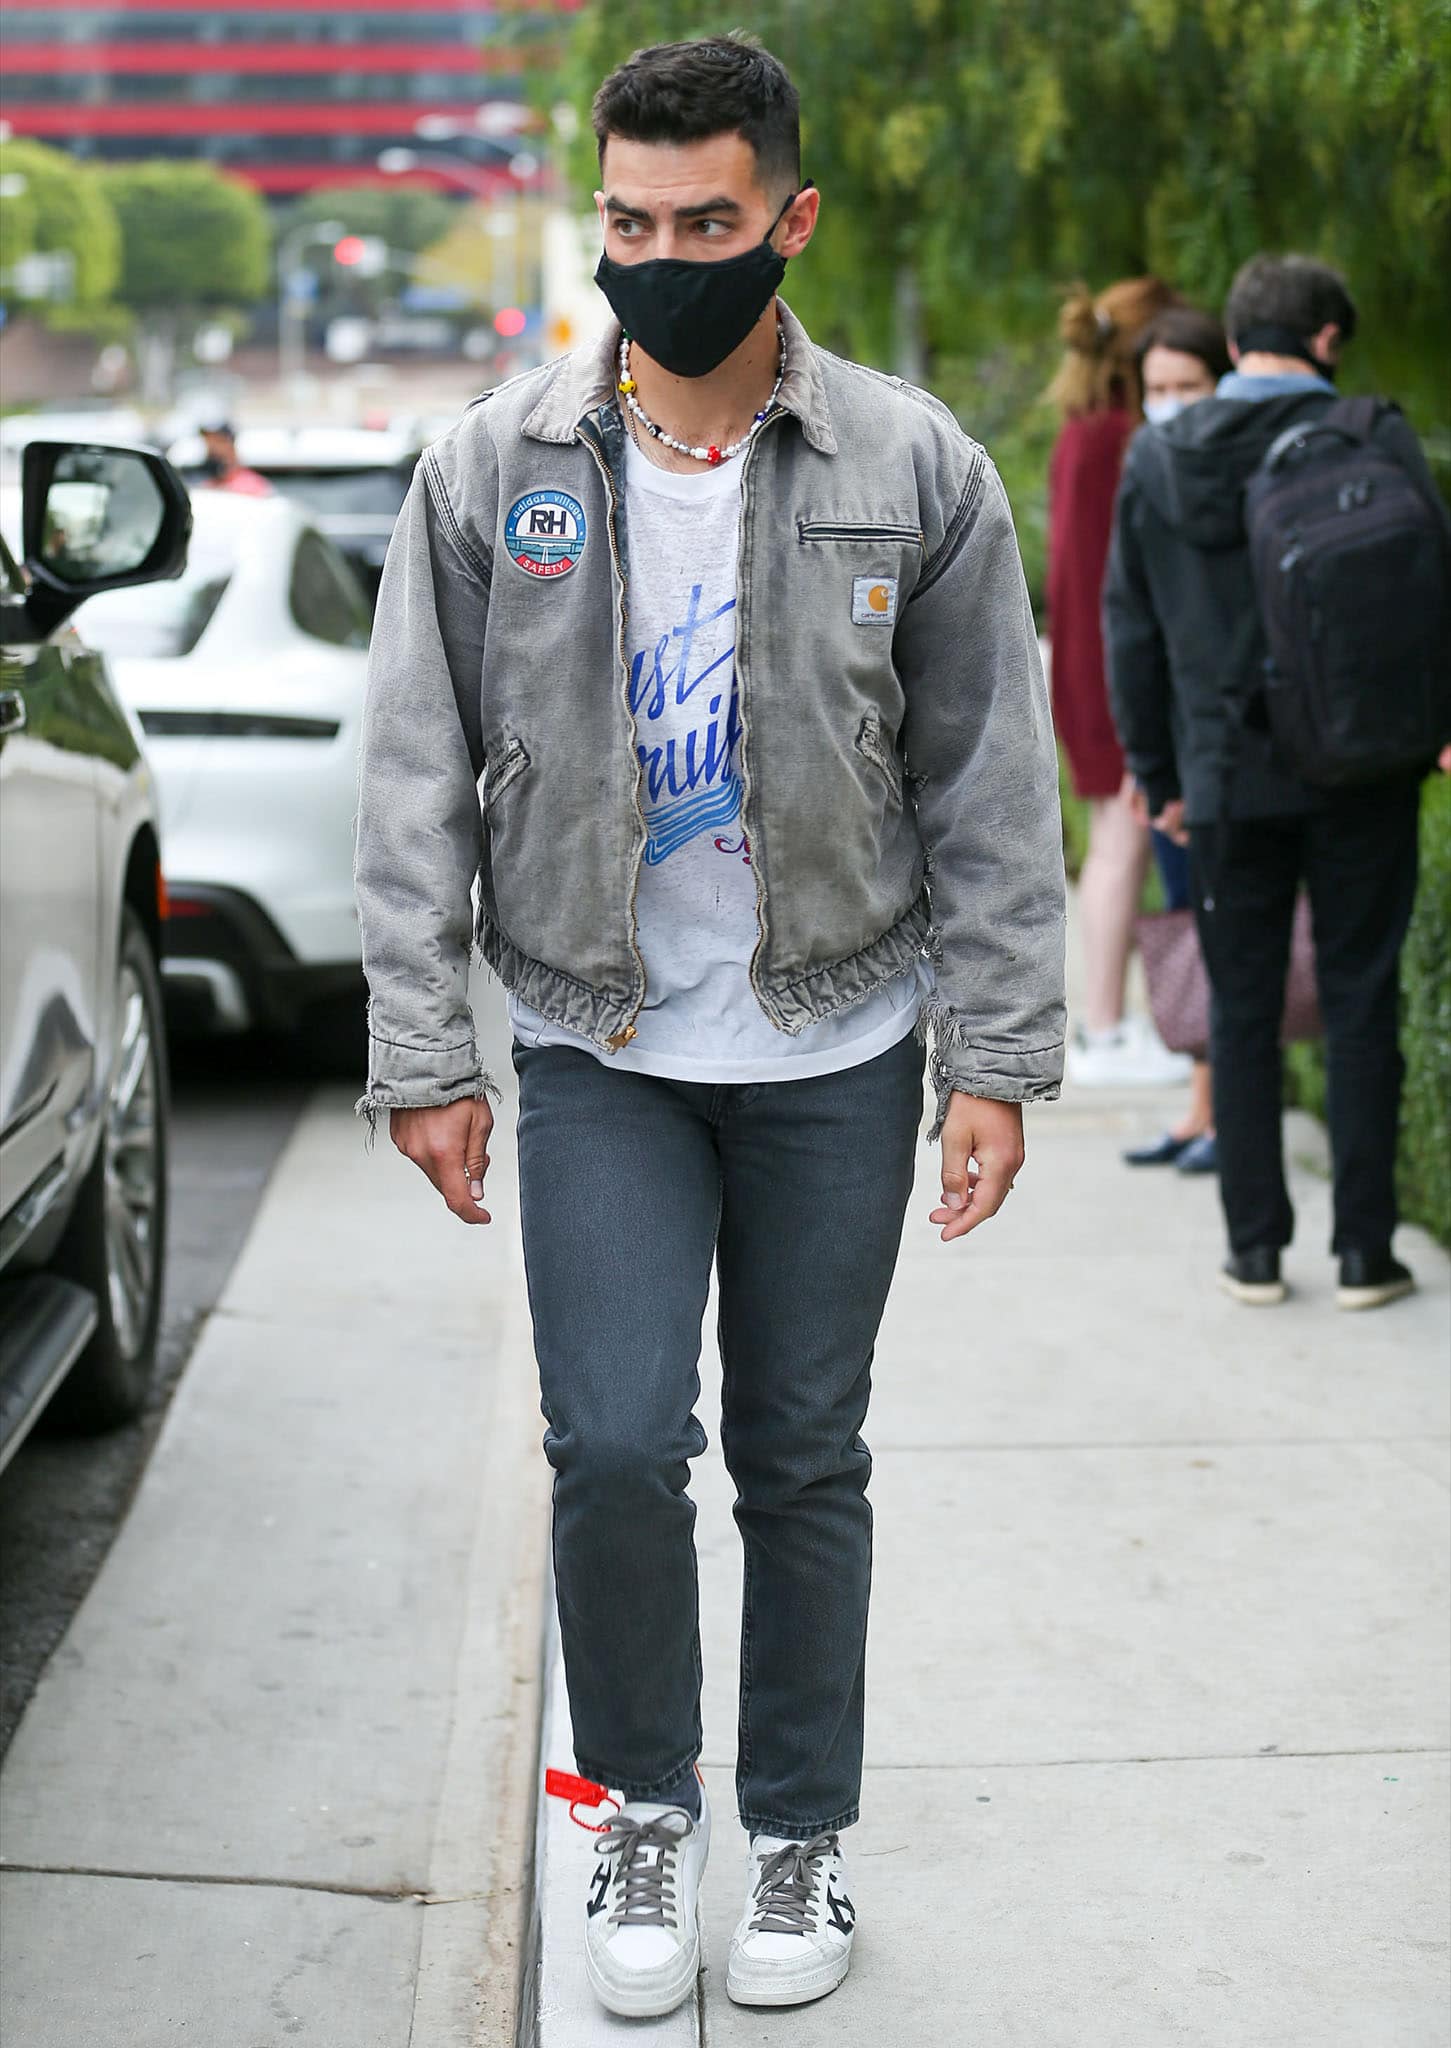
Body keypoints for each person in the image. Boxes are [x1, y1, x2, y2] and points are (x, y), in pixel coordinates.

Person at [353, 33, 1066, 2022]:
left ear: (786, 222)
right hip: (597, 1043)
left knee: (797, 1452)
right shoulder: (493, 465)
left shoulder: (907, 463)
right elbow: (415, 769)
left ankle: (801, 1834)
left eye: (705, 224)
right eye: (629, 222)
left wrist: (993, 1060)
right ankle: (642, 1812)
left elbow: (991, 785)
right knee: (603, 1443)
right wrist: (427, 1051)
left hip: (833, 1046)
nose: (661, 257)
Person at [1104, 252, 1449, 1310]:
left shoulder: (1158, 460)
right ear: (1326, 339)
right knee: (1358, 998)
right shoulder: (1369, 435)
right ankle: (1361, 1253)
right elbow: (1429, 583)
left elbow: (1132, 629)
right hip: (1360, 763)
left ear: (1235, 339)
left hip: (1221, 771)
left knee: (1240, 1006)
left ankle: (1252, 1249)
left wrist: (1156, 770)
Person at [1047, 274, 1191, 1088]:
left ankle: (1108, 1023)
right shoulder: (1117, 437)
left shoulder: (1084, 431)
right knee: (1119, 840)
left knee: (1116, 835)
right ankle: (1102, 1027)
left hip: (1087, 652)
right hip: (1113, 659)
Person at [1120, 306, 1232, 1176]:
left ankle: (1226, 1114)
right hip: (1178, 756)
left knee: (1231, 936)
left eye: (1186, 387)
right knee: (1194, 928)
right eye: (1155, 390)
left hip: (1239, 753)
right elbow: (1134, 627)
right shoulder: (1146, 470)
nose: (1170, 405)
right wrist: (1147, 762)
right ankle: (1202, 1110)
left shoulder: (1255, 467)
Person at [196, 416, 271, 497]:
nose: (211, 448)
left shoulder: (254, 486)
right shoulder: (206, 486)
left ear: (230, 444)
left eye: (217, 441)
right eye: (208, 442)